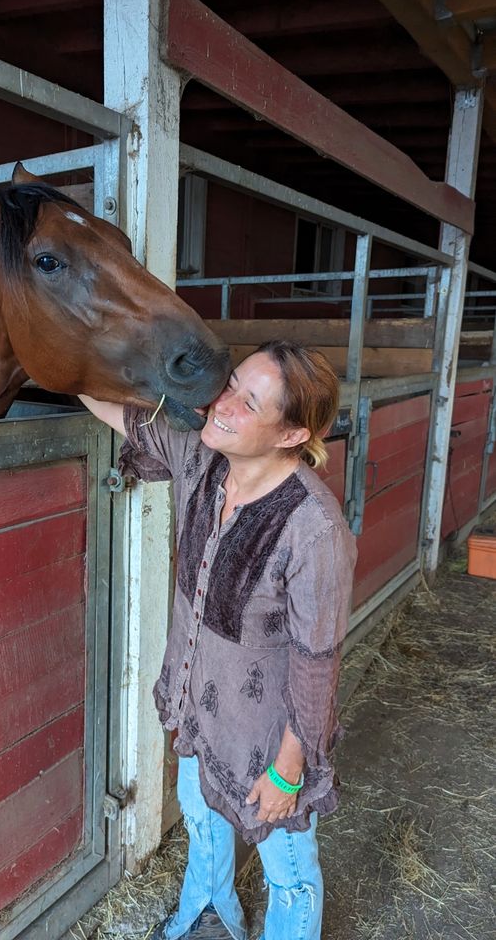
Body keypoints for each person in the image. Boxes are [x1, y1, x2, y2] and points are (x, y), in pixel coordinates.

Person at [79, 340, 357, 940]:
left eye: (249, 402)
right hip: (197, 709)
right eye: (231, 384)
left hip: (266, 739)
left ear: (289, 435)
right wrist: (55, 354)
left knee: (290, 872)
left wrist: (287, 774)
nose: (221, 404)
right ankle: (207, 918)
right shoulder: (203, 459)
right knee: (204, 821)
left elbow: (317, 664)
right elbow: (115, 412)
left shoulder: (315, 530)